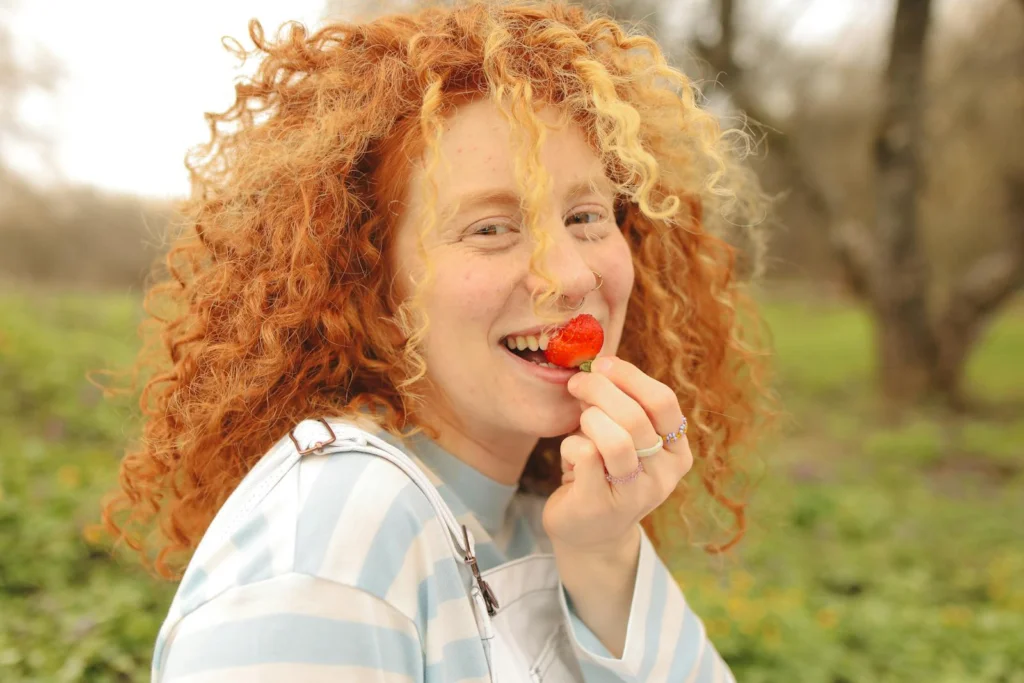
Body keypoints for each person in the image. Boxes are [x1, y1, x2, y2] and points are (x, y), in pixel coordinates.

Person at [101, 1, 773, 680]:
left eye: (586, 215)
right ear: (368, 279)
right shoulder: (334, 542)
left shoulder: (555, 511)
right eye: (490, 228)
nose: (570, 275)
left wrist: (605, 555)